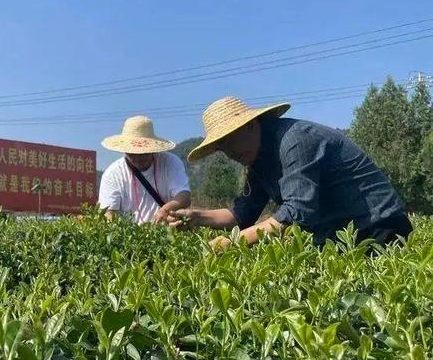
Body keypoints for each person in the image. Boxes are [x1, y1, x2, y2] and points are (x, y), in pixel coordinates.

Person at [168, 97, 411, 251]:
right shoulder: (257, 160)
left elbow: (296, 214)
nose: (228, 152)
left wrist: (229, 244)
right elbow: (240, 214)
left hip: (380, 229)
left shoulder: (294, 140)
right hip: (338, 239)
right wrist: (195, 216)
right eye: (221, 148)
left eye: (229, 141)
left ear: (251, 125)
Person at [98, 116, 191, 224]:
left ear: (153, 150)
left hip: (167, 231)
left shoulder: (170, 162)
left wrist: (166, 209)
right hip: (130, 236)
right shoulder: (113, 173)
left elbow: (184, 195)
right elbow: (109, 213)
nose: (137, 158)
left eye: (143, 154)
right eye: (132, 154)